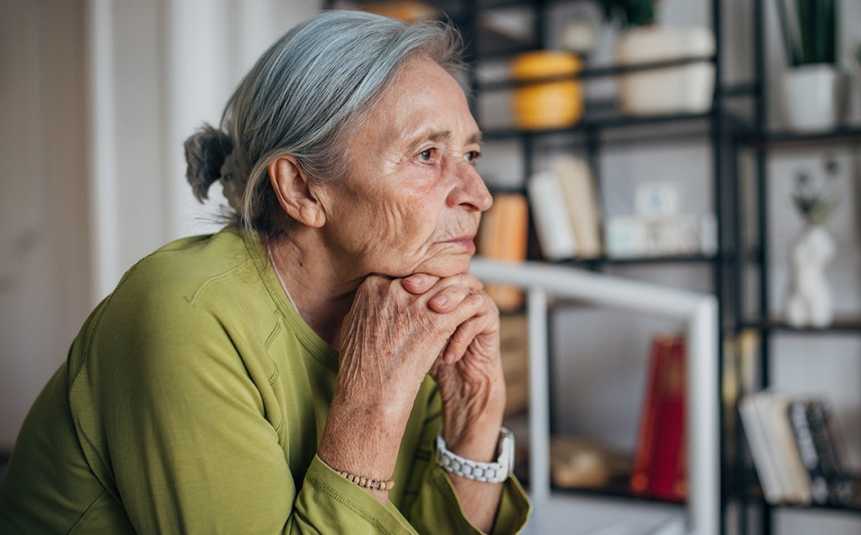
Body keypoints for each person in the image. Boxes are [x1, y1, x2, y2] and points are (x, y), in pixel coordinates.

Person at [0, 10, 530, 534]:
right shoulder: (185, 313)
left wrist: (473, 417)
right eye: (426, 154)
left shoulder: (406, 307)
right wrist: (373, 403)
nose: (479, 196)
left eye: (471, 153)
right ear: (301, 190)